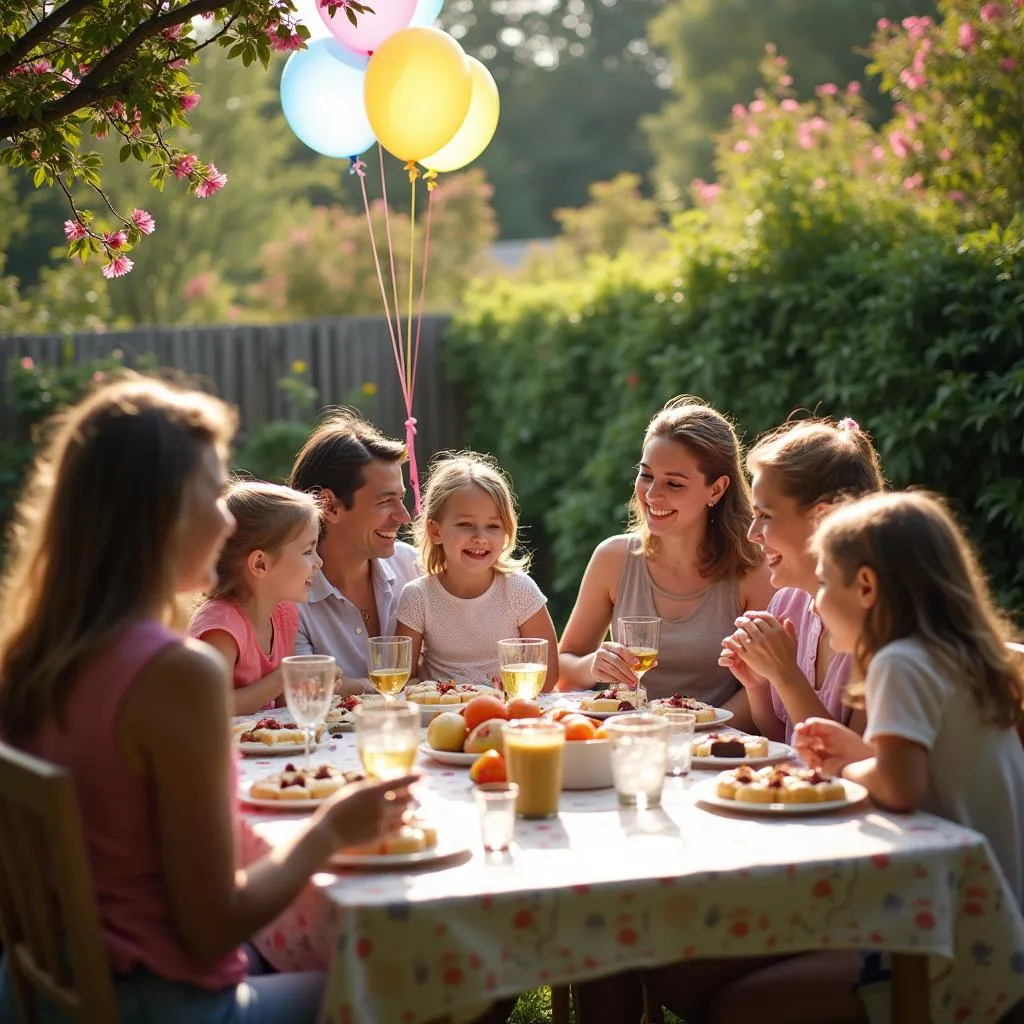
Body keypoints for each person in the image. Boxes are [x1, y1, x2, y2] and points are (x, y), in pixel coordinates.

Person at [0, 376, 418, 1023]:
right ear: (157, 514)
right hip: (160, 1005)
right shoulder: (175, 674)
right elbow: (213, 925)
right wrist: (329, 828)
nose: (227, 519)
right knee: (412, 980)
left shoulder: (31, 658)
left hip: (47, 993)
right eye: (211, 494)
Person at [557, 396, 774, 727]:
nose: (652, 494)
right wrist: (591, 666)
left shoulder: (753, 570)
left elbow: (765, 684)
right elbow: (562, 664)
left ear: (716, 490)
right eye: (646, 475)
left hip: (715, 749)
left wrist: (700, 730)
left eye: (674, 483)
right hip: (627, 738)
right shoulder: (612, 559)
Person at [719, 417, 884, 743]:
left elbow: (851, 767)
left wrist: (786, 675)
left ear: (822, 518)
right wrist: (759, 685)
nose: (753, 535)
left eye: (765, 516)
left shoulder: (880, 623)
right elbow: (785, 741)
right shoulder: (788, 602)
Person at [396, 452, 559, 688]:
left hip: (505, 713)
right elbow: (404, 680)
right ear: (435, 531)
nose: (480, 538)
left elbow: (548, 678)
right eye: (465, 525)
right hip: (442, 716)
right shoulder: (417, 597)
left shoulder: (520, 590)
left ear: (506, 532)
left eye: (493, 526)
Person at [287, 410, 420, 693]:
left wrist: (349, 686)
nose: (403, 516)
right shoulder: (287, 595)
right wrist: (393, 686)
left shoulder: (414, 567)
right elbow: (306, 690)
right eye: (385, 501)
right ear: (330, 506)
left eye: (401, 499)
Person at [188, 481, 322, 715]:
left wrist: (309, 685)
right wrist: (284, 677)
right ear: (260, 563)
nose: (318, 562)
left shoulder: (284, 612)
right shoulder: (220, 627)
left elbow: (282, 705)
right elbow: (210, 706)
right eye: (308, 551)